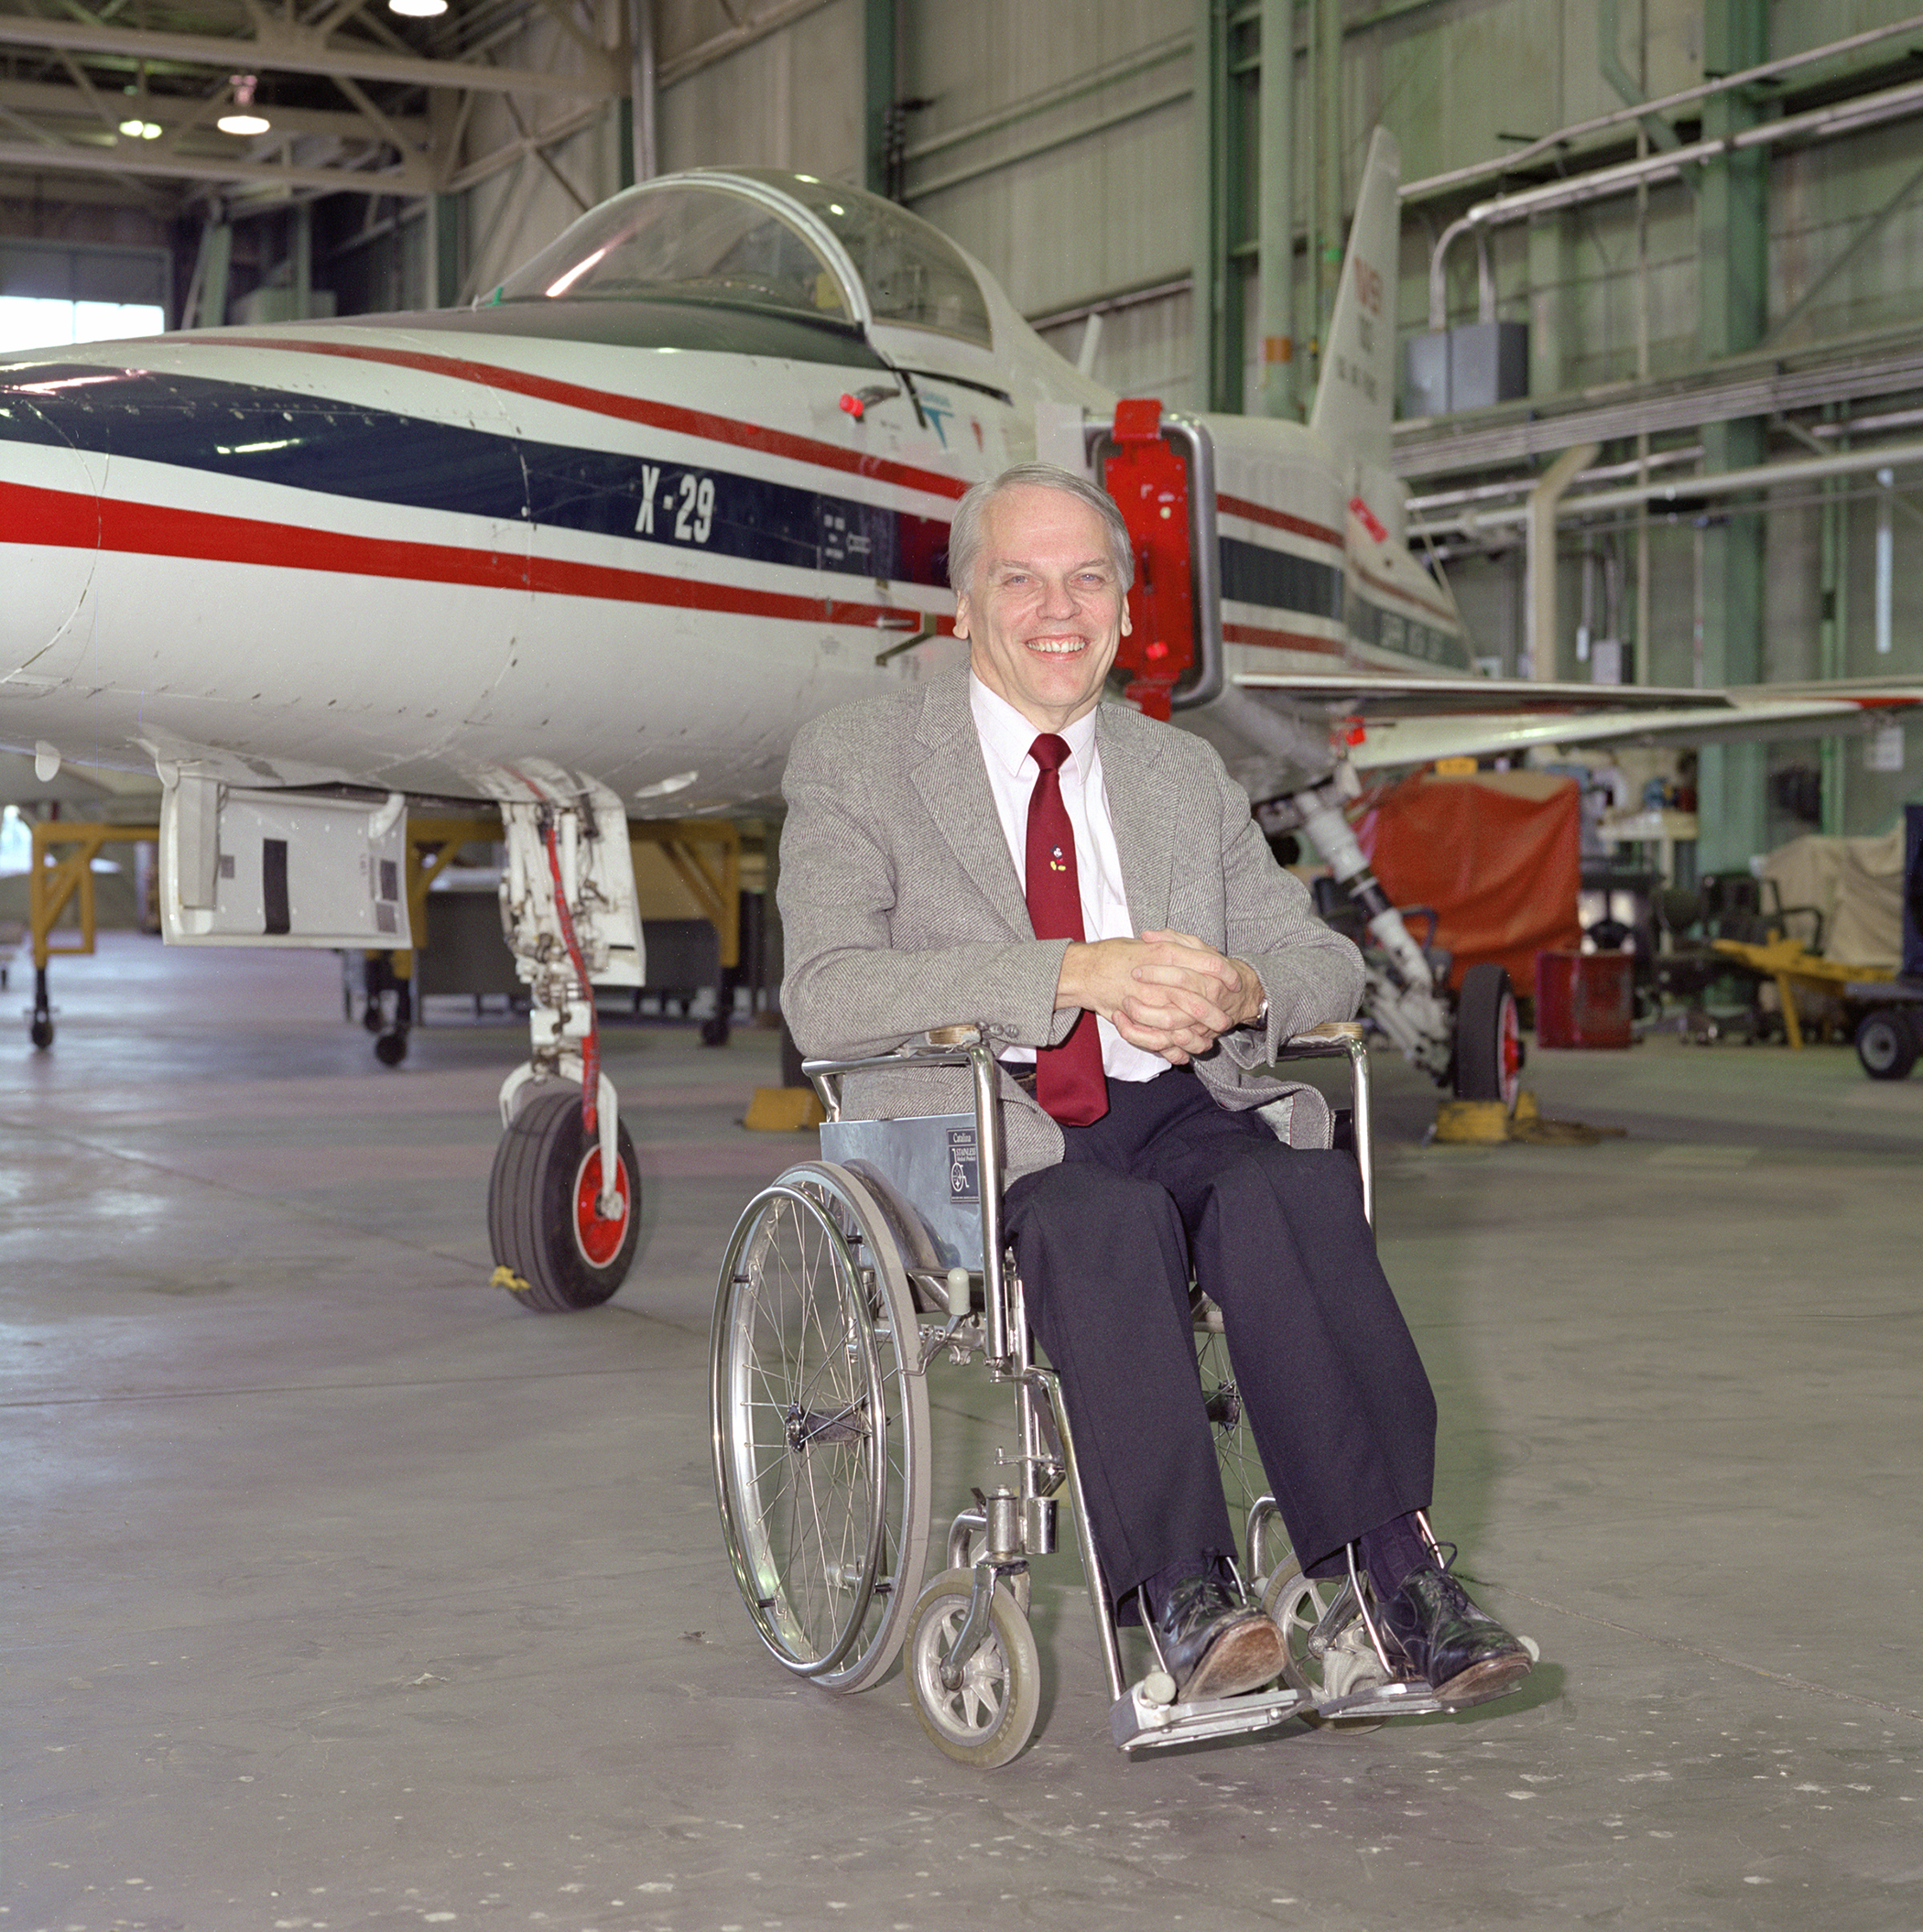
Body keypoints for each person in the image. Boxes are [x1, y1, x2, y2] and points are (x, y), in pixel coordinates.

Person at [777, 462, 1530, 1709]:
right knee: (1104, 1221)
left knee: (1286, 1190)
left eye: (1088, 578)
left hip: (1179, 1098)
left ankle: (1396, 1575)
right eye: (1019, 576)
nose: (1056, 607)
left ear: (1127, 609)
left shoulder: (1181, 772)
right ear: (962, 604)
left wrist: (1241, 991)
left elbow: (1320, 951)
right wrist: (1071, 971)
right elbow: (828, 989)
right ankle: (1184, 1588)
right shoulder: (863, 757)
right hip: (988, 1122)